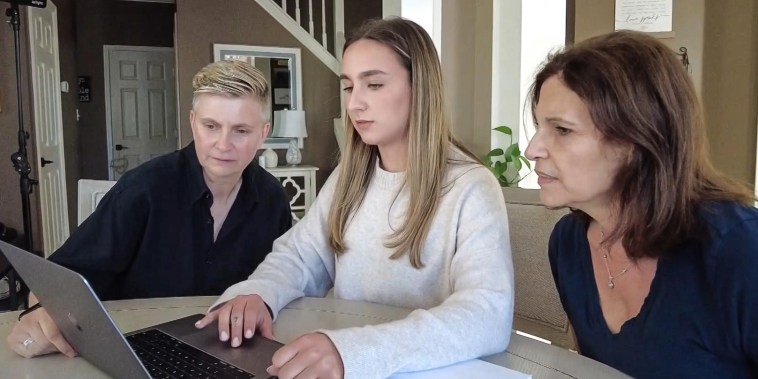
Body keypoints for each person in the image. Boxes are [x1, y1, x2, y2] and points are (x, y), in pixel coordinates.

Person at [195, 17, 514, 379]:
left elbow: (487, 314)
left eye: (374, 84)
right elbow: (299, 256)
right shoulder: (350, 178)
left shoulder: (471, 187)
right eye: (348, 87)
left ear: (420, 87)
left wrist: (352, 351)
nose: (355, 104)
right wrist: (258, 293)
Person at [7, 60, 292, 358]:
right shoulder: (143, 189)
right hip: (138, 350)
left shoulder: (273, 198)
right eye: (211, 126)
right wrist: (40, 313)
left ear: (264, 133)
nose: (223, 144)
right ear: (193, 122)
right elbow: (61, 277)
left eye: (241, 130)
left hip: (233, 349)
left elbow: (284, 274)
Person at [524, 30, 758, 378]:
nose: (532, 150)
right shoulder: (568, 245)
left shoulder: (740, 249)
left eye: (562, 130)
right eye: (539, 126)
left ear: (636, 139)